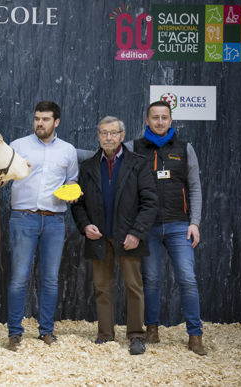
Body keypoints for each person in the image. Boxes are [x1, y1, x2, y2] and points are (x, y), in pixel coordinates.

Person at [124, 100, 207, 355]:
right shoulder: (133, 148)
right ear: (146, 121)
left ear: (171, 121)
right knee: (151, 281)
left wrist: (194, 222)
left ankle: (195, 335)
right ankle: (152, 329)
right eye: (155, 117)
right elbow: (106, 158)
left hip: (179, 226)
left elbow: (194, 187)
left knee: (188, 279)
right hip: (146, 228)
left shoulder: (185, 149)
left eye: (164, 117)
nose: (160, 121)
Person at [71, 116, 157, 355]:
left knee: (133, 286)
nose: (108, 137)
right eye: (103, 133)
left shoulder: (138, 164)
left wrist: (137, 233)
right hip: (99, 238)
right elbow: (77, 204)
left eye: (113, 133)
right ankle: (105, 334)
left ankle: (136, 335)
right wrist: (85, 226)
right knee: (102, 287)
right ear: (98, 136)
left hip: (128, 237)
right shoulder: (87, 167)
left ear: (122, 135)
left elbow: (150, 203)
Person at [6, 101, 78, 351]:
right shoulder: (17, 146)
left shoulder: (68, 151)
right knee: (18, 278)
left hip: (55, 220)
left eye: (46, 119)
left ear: (56, 122)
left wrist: (72, 193)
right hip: (23, 218)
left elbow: (73, 181)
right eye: (37, 118)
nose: (40, 123)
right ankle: (14, 334)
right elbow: (3, 176)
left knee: (49, 279)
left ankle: (46, 331)